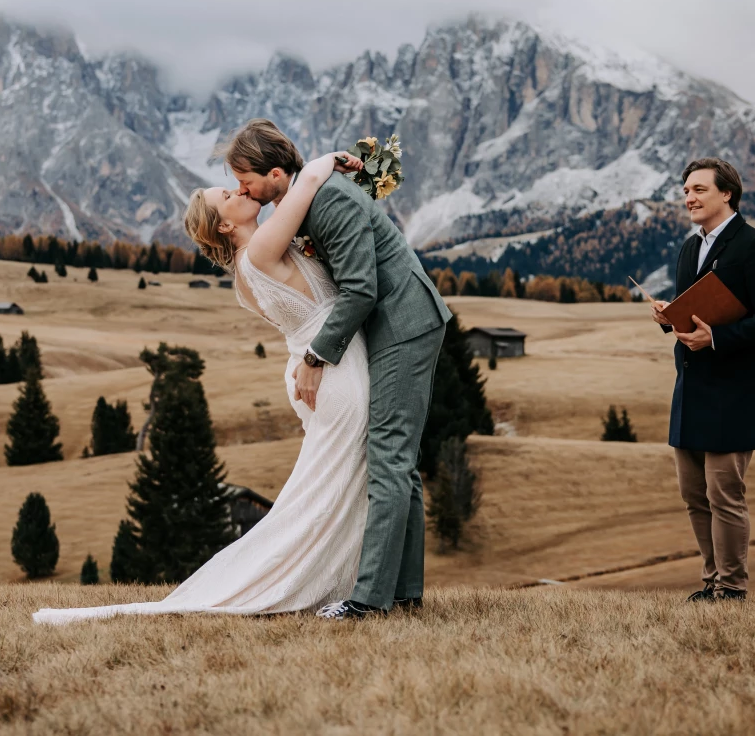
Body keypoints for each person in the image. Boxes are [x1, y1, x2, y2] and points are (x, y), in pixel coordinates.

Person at [32, 147, 370, 624]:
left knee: (328, 486)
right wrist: (331, 159)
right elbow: (308, 181)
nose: (238, 190)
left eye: (234, 185)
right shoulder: (261, 248)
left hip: (319, 366)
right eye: (228, 195)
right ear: (226, 227)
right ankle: (347, 585)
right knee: (336, 484)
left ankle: (348, 581)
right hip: (333, 368)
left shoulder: (249, 268)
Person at [226, 120, 450, 620]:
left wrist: (314, 358)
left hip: (405, 324)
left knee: (388, 455)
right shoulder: (307, 199)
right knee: (400, 463)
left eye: (245, 179)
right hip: (391, 325)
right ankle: (406, 592)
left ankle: (368, 600)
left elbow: (361, 290)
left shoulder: (330, 201)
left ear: (276, 173)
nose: (243, 189)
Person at [651, 158, 755, 602]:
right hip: (690, 389)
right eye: (685, 191)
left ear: (726, 193)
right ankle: (711, 583)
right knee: (694, 494)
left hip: (735, 391)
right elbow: (693, 311)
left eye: (698, 190)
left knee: (723, 493)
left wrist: (719, 338)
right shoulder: (689, 248)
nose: (688, 198)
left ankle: (733, 588)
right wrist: (667, 318)